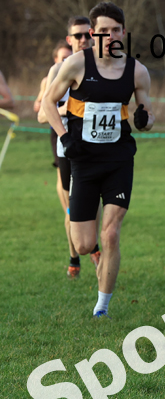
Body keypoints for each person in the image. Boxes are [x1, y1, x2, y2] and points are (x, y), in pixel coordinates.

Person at [41, 2, 155, 317]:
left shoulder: (137, 70)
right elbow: (49, 103)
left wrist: (145, 119)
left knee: (111, 231)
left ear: (124, 33)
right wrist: (64, 137)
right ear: (94, 34)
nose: (110, 36)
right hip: (84, 163)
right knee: (82, 243)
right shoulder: (76, 64)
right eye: (103, 31)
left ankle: (102, 306)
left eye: (116, 30)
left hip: (119, 159)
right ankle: (91, 259)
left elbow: (147, 115)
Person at [35, 18, 102, 278]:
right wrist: (66, 110)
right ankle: (75, 256)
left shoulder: (101, 68)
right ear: (69, 39)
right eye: (78, 35)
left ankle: (92, 247)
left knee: (93, 205)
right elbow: (42, 114)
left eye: (87, 35)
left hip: (94, 146)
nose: (83, 40)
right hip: (66, 147)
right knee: (73, 208)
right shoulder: (57, 71)